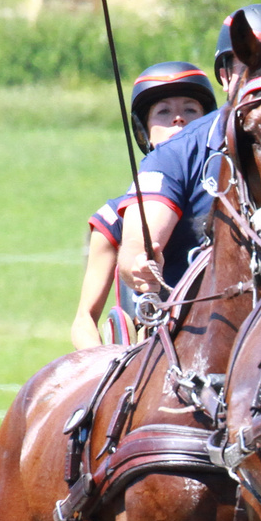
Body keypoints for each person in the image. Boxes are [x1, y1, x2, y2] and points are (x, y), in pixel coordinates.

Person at [118, 4, 261, 299]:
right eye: (251, 66)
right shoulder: (174, 154)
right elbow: (138, 241)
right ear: (224, 76)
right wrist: (139, 261)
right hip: (195, 321)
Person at [72, 62, 217, 350]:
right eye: (164, 112)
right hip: (153, 351)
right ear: (144, 132)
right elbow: (84, 320)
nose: (178, 119)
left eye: (190, 110)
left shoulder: (225, 197)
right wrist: (104, 361)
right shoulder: (114, 219)